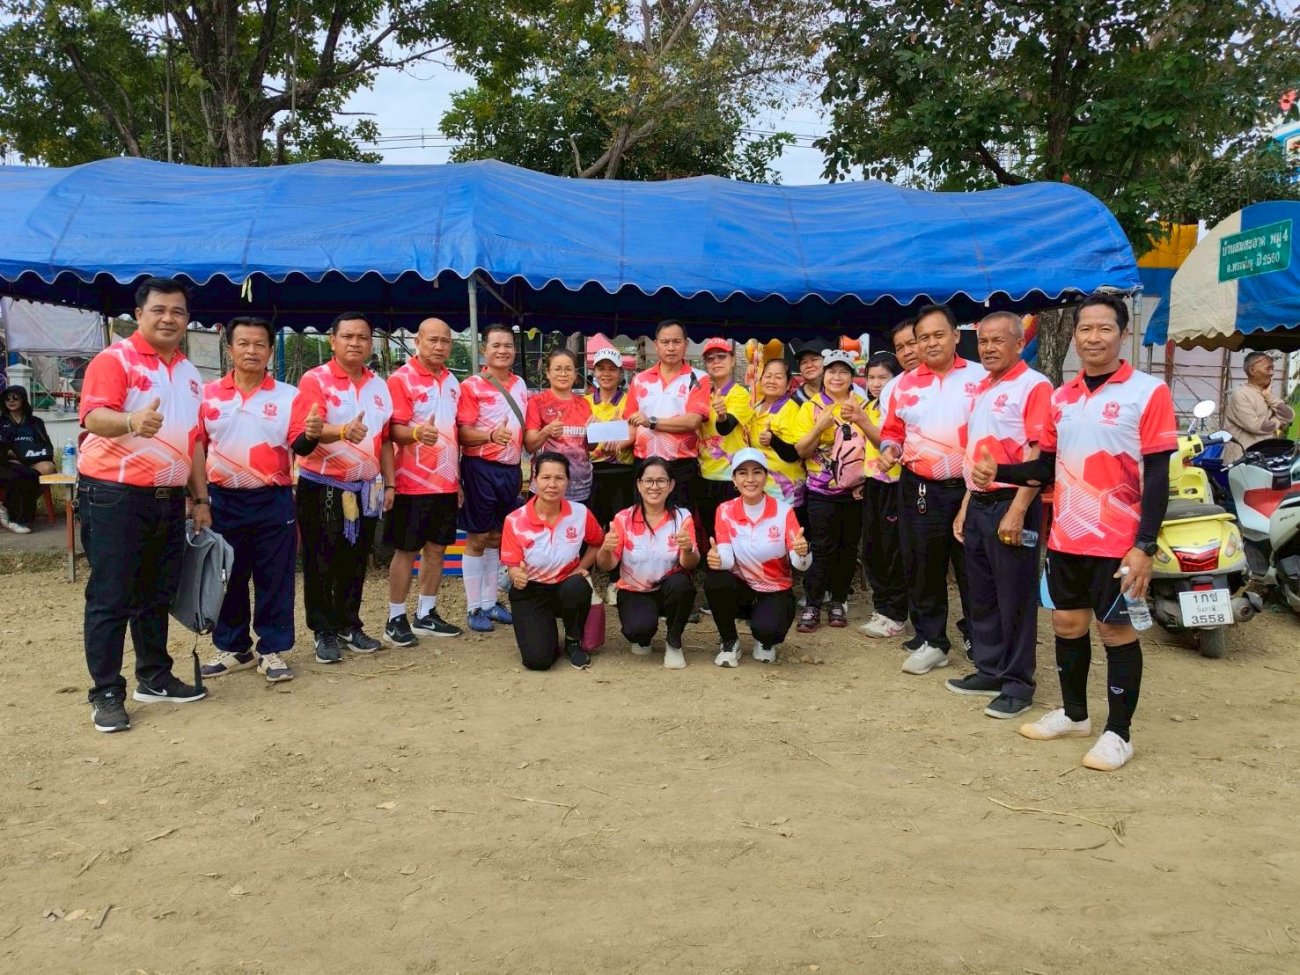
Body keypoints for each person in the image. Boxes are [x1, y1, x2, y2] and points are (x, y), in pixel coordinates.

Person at [974, 292, 1176, 771]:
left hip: (1119, 541)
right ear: (1074, 335)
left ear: (1123, 334)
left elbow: (1158, 476)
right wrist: (1000, 471)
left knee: (1115, 631)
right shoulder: (1061, 398)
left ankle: (1119, 734)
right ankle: (1074, 714)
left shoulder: (1148, 392)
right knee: (1067, 625)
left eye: (1104, 328)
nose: (1093, 337)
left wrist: (1144, 546)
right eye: (1085, 328)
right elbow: (1045, 467)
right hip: (1066, 536)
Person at [76, 276, 208, 733]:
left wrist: (200, 498)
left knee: (157, 593)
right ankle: (106, 692)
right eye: (159, 310)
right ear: (139, 314)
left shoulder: (190, 374)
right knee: (112, 595)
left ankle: (154, 677)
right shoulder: (115, 360)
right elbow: (93, 416)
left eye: (178, 311)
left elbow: (194, 442)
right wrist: (131, 420)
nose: (169, 318)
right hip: (115, 495)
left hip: (168, 498)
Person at [949, 312, 1052, 719]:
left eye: (998, 340)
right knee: (983, 595)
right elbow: (976, 453)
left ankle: (1018, 684)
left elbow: (1038, 453)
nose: (988, 348)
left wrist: (1018, 509)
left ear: (1019, 343)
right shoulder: (982, 387)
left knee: (1015, 599)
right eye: (983, 341)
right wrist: (965, 504)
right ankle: (990, 669)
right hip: (979, 503)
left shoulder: (1034, 386)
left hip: (1012, 504)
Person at [880, 304, 987, 674]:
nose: (930, 343)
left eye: (938, 334)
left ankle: (980, 637)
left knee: (974, 567)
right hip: (921, 489)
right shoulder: (901, 385)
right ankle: (933, 641)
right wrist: (889, 451)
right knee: (924, 566)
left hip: (974, 490)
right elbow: (892, 433)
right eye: (922, 337)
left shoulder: (982, 377)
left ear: (956, 336)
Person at [194, 315, 299, 683]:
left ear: (269, 351)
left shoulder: (289, 396)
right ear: (230, 349)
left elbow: (301, 442)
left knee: (275, 577)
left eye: (259, 344)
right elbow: (196, 448)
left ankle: (272, 649)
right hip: (222, 499)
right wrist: (198, 500)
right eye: (243, 343)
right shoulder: (206, 395)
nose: (251, 350)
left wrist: (314, 433)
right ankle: (233, 647)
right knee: (227, 576)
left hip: (273, 498)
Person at [288, 312, 395, 664]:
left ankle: (350, 624)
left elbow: (384, 440)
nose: (355, 343)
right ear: (332, 340)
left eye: (362, 337)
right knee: (321, 560)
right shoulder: (315, 380)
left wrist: (389, 482)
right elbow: (304, 432)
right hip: (323, 486)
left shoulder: (379, 386)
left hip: (365, 487)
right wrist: (342, 431)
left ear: (370, 343)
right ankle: (323, 630)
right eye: (347, 336)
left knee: (356, 559)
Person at [382, 317, 465, 648]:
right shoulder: (401, 379)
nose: (439, 346)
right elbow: (392, 430)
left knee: (437, 549)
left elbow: (454, 431)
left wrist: (457, 480)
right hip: (411, 482)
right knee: (406, 550)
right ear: (417, 341)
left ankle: (426, 613)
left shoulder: (453, 381)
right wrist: (416, 433)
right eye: (433, 340)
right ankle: (395, 617)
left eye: (445, 340)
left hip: (445, 482)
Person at [704, 448, 811, 666]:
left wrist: (803, 552)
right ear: (734, 479)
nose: (750, 479)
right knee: (716, 580)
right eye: (743, 473)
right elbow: (727, 558)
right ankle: (729, 641)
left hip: (774, 588)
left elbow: (800, 564)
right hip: (741, 587)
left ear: (766, 477)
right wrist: (717, 559)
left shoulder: (784, 511)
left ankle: (764, 640)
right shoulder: (724, 510)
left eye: (757, 472)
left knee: (769, 631)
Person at [501, 451, 605, 671]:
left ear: (568, 481)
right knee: (538, 661)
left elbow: (598, 542)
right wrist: (516, 576)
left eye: (559, 478)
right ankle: (544, 632)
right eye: (546, 477)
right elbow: (513, 565)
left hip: (566, 585)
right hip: (531, 590)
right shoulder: (515, 520)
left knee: (578, 585)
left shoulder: (580, 513)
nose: (552, 484)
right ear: (535, 480)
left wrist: (581, 567)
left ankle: (573, 641)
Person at [456, 323, 528, 632]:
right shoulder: (472, 386)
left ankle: (489, 603)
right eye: (496, 345)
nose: (502, 351)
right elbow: (462, 433)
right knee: (477, 537)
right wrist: (489, 435)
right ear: (484, 350)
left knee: (498, 537)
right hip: (481, 469)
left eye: (508, 345)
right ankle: (474, 607)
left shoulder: (520, 384)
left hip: (511, 470)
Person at [793, 349, 871, 630]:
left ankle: (839, 600)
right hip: (820, 492)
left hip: (855, 492)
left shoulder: (863, 405)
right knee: (822, 548)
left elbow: (873, 446)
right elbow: (801, 450)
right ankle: (813, 603)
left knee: (848, 549)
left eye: (843, 372)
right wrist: (819, 427)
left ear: (852, 377)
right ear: (824, 375)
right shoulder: (811, 407)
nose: (837, 377)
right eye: (832, 371)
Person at [596, 456, 699, 668]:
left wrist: (688, 548)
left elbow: (690, 564)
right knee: (638, 630)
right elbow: (607, 565)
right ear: (639, 484)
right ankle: (643, 637)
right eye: (648, 481)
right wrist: (605, 548)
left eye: (661, 481)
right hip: (634, 589)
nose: (654, 486)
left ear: (671, 485)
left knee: (682, 585)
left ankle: (673, 642)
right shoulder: (623, 518)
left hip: (669, 587)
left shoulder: (682, 517)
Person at [624, 319, 709, 510]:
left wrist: (651, 422)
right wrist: (607, 446)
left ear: (686, 344)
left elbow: (692, 421)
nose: (671, 347)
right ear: (656, 345)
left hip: (680, 466)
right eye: (665, 342)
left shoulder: (698, 378)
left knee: (680, 520)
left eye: (676, 342)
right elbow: (630, 425)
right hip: (644, 465)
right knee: (643, 519)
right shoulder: (639, 380)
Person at [858, 352, 908, 639]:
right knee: (872, 548)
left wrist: (863, 421)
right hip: (872, 482)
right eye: (872, 377)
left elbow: (885, 442)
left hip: (895, 483)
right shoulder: (867, 405)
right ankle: (881, 608)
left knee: (892, 550)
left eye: (883, 378)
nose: (876, 383)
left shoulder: (898, 408)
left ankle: (896, 613)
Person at [584, 347, 636, 601]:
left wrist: (621, 442)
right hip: (591, 472)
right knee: (591, 527)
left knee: (619, 526)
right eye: (601, 368)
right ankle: (585, 577)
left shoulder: (630, 400)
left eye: (612, 369)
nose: (606, 374)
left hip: (622, 472)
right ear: (593, 372)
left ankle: (616, 581)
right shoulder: (583, 402)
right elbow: (580, 437)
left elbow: (634, 432)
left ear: (620, 372)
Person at [693, 337, 753, 547]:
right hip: (705, 473)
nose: (716, 362)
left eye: (721, 357)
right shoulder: (701, 394)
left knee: (734, 532)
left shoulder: (740, 395)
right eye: (710, 359)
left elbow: (726, 428)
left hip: (731, 477)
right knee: (711, 531)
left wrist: (721, 415)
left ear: (733, 360)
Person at [525, 349, 594, 502]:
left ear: (575, 374)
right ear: (548, 373)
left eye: (568, 369)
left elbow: (590, 447)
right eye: (557, 369)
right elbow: (530, 446)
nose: (563, 374)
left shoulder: (584, 404)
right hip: (546, 490)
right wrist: (546, 431)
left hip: (581, 489)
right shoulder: (537, 402)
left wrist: (595, 433)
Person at [746, 357, 807, 516]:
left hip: (787, 492)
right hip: (761, 490)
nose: (772, 381)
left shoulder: (791, 408)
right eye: (768, 376)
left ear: (788, 384)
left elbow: (794, 453)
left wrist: (773, 440)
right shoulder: (756, 407)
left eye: (778, 377)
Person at [1222, 351, 1295, 463]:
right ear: (1252, 370)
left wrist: (1269, 397)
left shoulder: (1267, 394)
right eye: (1268, 368)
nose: (1272, 373)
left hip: (1265, 459)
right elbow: (1257, 427)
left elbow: (1290, 415)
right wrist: (1279, 421)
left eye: (1272, 369)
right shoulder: (1241, 394)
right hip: (1242, 462)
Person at [0, 385, 54, 533]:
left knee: (48, 469)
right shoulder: (1, 421)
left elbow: (45, 444)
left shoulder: (35, 422)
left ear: (23, 399)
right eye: (7, 398)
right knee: (19, 472)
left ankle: (23, 506)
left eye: (15, 397)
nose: (11, 401)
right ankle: (16, 512)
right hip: (11, 460)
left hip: (33, 457)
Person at [790, 340, 825, 405]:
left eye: (814, 360)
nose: (809, 365)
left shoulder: (839, 390)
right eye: (804, 362)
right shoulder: (795, 399)